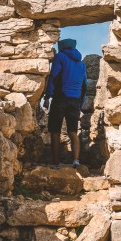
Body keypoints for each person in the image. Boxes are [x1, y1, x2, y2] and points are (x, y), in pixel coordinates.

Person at [43, 38, 87, 168]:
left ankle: (56, 163)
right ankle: (76, 161)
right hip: (75, 100)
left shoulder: (60, 57)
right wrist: (81, 102)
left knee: (55, 131)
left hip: (60, 98)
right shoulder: (81, 63)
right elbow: (84, 85)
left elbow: (54, 77)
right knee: (73, 131)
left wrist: (47, 96)